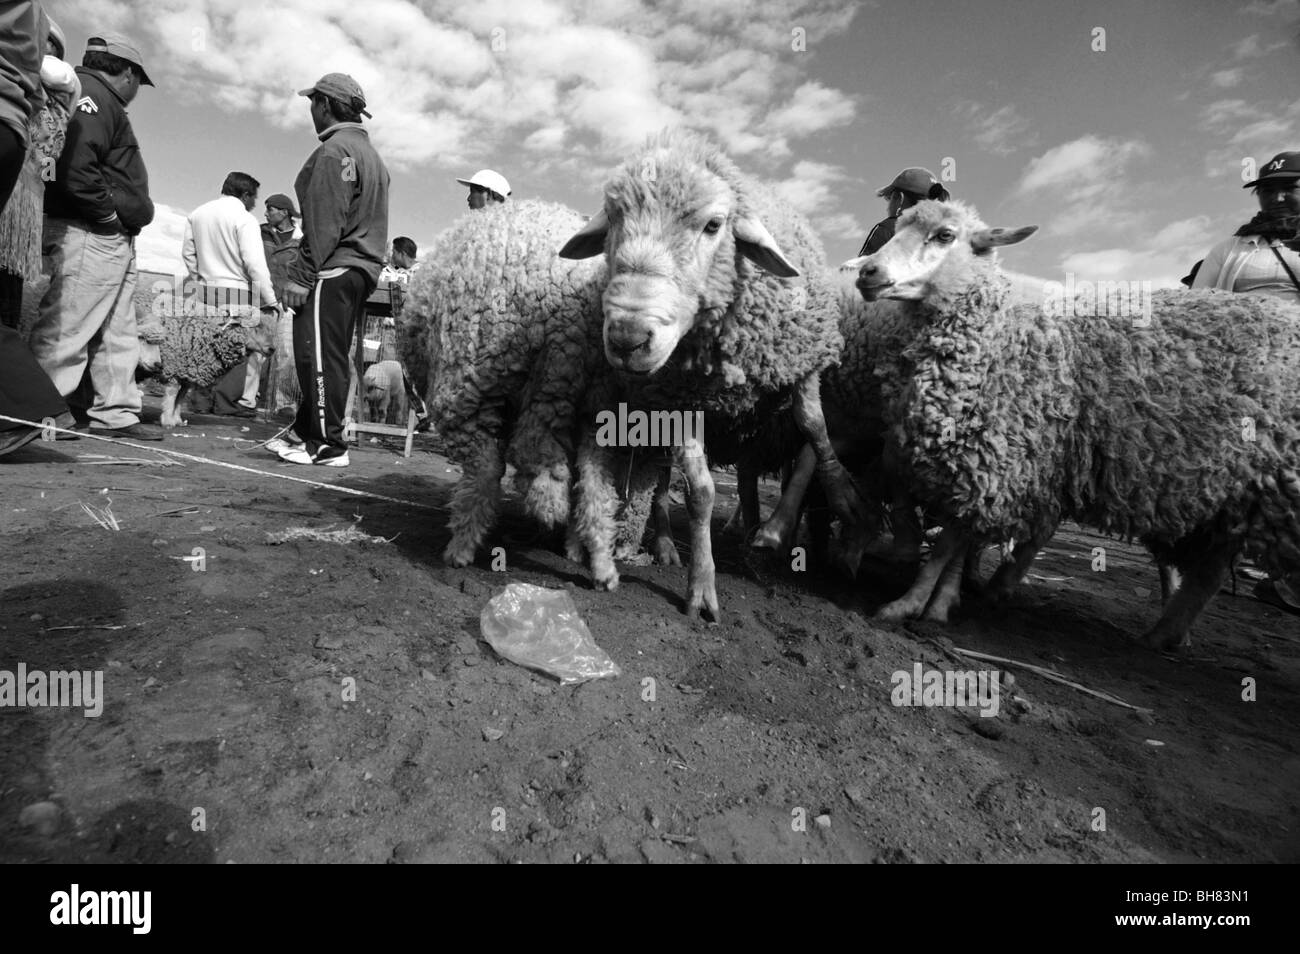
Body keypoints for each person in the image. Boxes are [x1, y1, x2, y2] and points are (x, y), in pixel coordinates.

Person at [27, 30, 161, 441]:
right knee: (69, 325)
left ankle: (116, 413)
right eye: (138, 79)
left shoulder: (95, 97)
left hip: (109, 235)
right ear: (127, 72)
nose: (137, 89)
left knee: (117, 330)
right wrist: (105, 217)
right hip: (89, 231)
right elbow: (74, 167)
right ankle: (39, 416)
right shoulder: (92, 96)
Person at [269, 72, 389, 467]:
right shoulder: (371, 157)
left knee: (317, 356)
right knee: (329, 354)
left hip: (334, 267)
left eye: (312, 102)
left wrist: (301, 277)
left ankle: (326, 445)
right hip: (360, 269)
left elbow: (324, 221)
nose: (310, 110)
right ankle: (307, 432)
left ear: (324, 104)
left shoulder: (335, 151)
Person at [0, 1, 71, 458]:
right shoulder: (46, 98)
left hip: (18, 208)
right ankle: (24, 403)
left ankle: (22, 405)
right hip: (21, 194)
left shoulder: (55, 82)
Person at [0, 14, 77, 329]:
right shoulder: (61, 100)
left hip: (14, 200)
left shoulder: (54, 78)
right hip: (27, 200)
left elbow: (55, 72)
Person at [183, 171, 280, 418]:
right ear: (245, 194)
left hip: (205, 289)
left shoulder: (198, 213)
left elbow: (188, 253)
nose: (254, 204)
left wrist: (198, 280)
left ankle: (200, 400)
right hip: (236, 290)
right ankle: (226, 403)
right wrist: (269, 299)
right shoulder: (244, 219)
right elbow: (254, 263)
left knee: (204, 345)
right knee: (238, 349)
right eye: (254, 198)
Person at [376, 236, 431, 432]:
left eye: (394, 251)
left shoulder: (423, 273)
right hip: (390, 331)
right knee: (390, 376)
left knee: (411, 375)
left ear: (401, 253)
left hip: (413, 332)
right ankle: (389, 422)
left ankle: (418, 419)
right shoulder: (387, 271)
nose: (391, 255)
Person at [858, 167, 950, 257]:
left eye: (890, 198)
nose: (887, 207)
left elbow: (858, 270)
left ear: (899, 199)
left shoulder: (889, 228)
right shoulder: (945, 236)